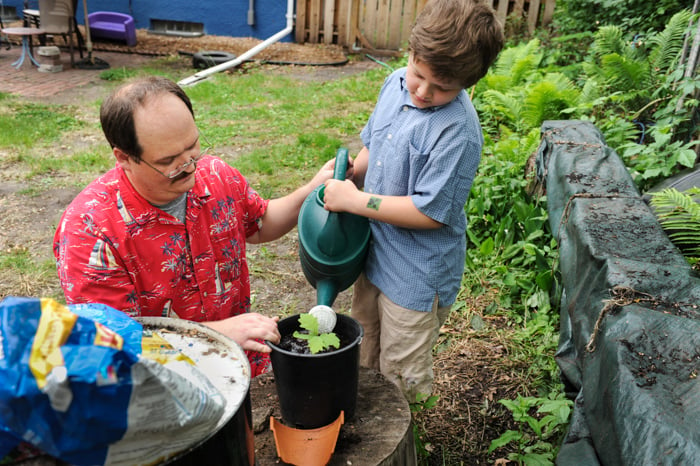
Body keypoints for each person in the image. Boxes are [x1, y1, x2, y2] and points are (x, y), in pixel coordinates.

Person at [53, 76, 336, 377]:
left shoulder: (217, 176)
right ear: (124, 157)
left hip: (237, 368)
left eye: (192, 147)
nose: (189, 166)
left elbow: (260, 223)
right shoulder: (90, 232)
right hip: (162, 391)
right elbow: (112, 345)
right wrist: (215, 334)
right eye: (169, 161)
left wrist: (312, 191)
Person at [322, 0, 504, 401]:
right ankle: (366, 417)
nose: (422, 91)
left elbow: (429, 212)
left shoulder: (457, 133)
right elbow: (376, 143)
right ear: (410, 53)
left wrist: (356, 202)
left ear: (468, 84)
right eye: (418, 74)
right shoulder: (394, 85)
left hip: (416, 275)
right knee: (364, 340)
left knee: (399, 372)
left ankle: (401, 438)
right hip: (373, 255)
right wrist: (356, 173)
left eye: (442, 88)